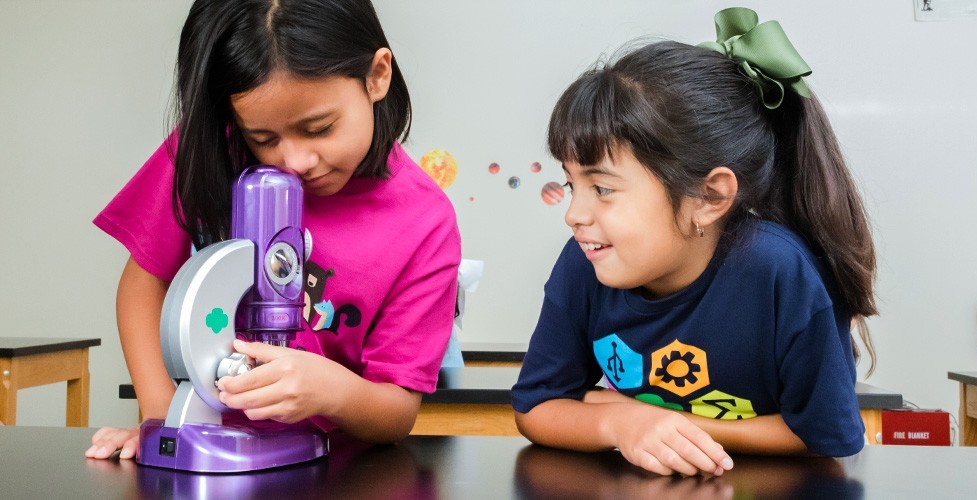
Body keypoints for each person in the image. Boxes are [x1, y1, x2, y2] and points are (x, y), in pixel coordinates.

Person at [86, 0, 460, 460]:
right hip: (208, 455)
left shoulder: (425, 221)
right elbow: (145, 282)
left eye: (319, 128)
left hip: (330, 469)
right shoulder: (209, 149)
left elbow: (397, 412)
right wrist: (164, 428)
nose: (295, 163)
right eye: (263, 139)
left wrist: (332, 392)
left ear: (377, 75)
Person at [512, 7, 877, 477]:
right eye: (571, 185)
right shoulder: (586, 262)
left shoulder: (780, 272)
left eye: (602, 188)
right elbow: (537, 407)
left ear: (708, 197)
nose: (574, 215)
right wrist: (619, 424)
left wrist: (660, 422)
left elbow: (822, 436)